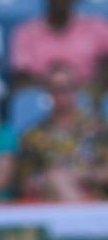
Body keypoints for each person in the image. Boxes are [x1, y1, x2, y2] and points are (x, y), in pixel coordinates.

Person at [10, 0, 108, 103]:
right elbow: (22, 76)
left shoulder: (96, 27)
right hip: (43, 98)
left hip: (87, 96)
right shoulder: (26, 32)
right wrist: (58, 89)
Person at [16, 63, 108, 201]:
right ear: (48, 92)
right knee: (56, 180)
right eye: (57, 89)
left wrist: (80, 176)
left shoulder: (99, 128)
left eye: (67, 88)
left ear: (77, 90)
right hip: (51, 200)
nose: (62, 94)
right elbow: (25, 181)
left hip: (95, 199)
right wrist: (50, 178)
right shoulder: (33, 134)